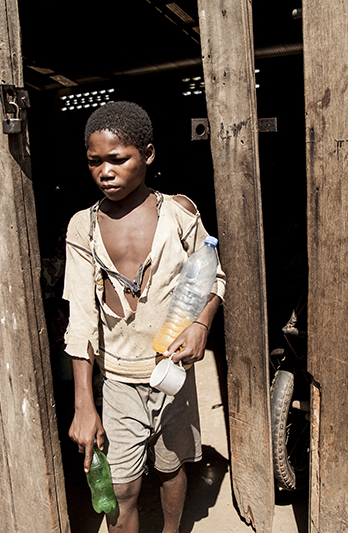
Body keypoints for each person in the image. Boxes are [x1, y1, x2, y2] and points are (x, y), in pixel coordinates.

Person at [63, 101, 225, 533]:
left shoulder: (180, 214)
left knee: (172, 469)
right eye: (94, 162)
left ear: (148, 155)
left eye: (118, 159)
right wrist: (84, 403)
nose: (105, 171)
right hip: (117, 381)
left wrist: (200, 324)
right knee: (122, 489)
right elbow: (81, 321)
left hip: (173, 373)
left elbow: (214, 277)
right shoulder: (84, 227)